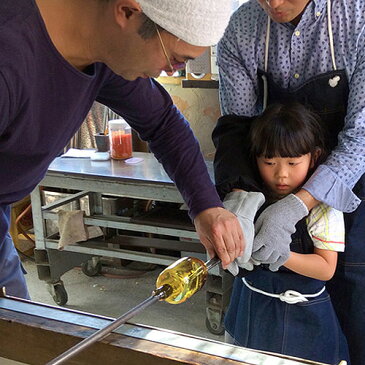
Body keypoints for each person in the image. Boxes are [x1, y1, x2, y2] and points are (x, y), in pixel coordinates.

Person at [0, 0, 244, 300]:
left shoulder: (101, 49)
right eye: (176, 61)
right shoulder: (9, 55)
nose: (168, 72)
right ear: (127, 11)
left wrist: (207, 206)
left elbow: (163, 122)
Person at [213, 1, 365, 363]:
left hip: (351, 186)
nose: (274, 3)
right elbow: (237, 127)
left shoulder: (357, 17)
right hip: (261, 190)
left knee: (353, 315)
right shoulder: (242, 27)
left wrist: (299, 205)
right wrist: (240, 199)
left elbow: (362, 135)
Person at [223, 102, 349, 364]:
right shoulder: (251, 197)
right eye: (269, 162)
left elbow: (326, 268)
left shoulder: (324, 207)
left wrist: (282, 255)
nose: (281, 174)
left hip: (304, 315)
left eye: (293, 162)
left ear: (314, 157)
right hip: (251, 306)